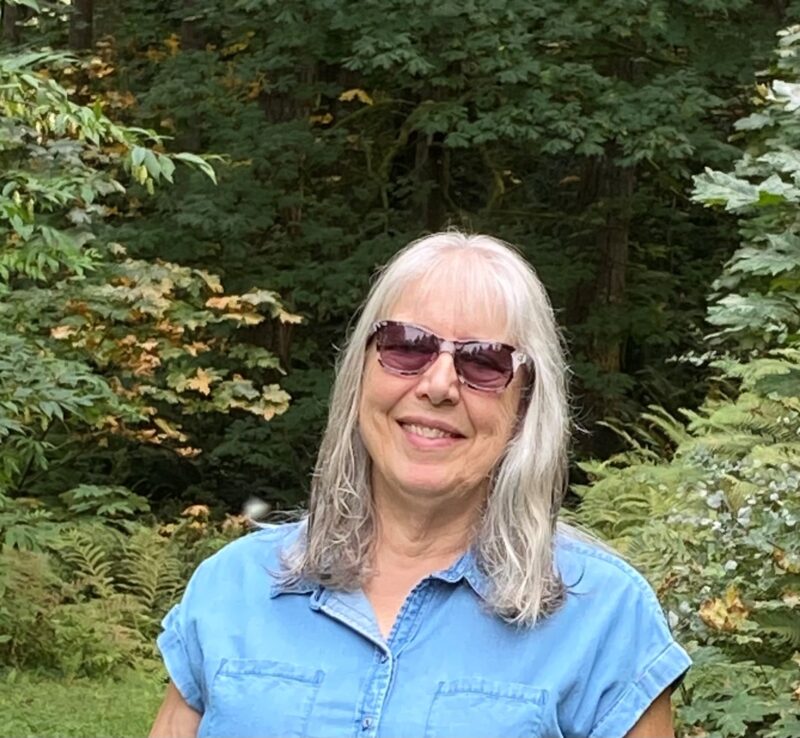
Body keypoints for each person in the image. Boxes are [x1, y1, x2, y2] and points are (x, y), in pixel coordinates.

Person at [150, 231, 691, 738]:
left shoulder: (603, 617)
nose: (438, 385)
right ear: (362, 371)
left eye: (484, 362)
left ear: (526, 403)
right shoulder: (233, 589)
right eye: (407, 346)